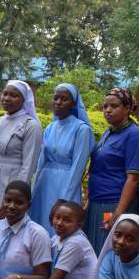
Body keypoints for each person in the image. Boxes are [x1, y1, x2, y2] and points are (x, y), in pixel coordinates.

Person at [84, 87, 139, 254]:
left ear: (127, 108)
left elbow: (133, 178)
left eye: (114, 106)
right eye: (105, 106)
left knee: (107, 250)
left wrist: (118, 212)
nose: (108, 110)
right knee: (93, 249)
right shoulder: (109, 132)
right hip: (97, 200)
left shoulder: (134, 136)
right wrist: (89, 202)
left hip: (113, 203)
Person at [29, 83, 94, 235]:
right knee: (38, 226)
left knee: (58, 227)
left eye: (64, 99)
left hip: (64, 185)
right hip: (44, 183)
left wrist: (64, 199)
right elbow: (41, 162)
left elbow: (78, 167)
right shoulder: (50, 127)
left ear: (73, 104)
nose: (58, 102)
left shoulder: (82, 130)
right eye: (56, 98)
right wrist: (34, 188)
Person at [0, 80, 42, 219]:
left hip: (12, 179)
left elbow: (29, 165)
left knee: (5, 219)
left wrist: (15, 197)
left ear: (24, 100)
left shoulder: (31, 126)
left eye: (13, 95)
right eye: (5, 94)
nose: (6, 98)